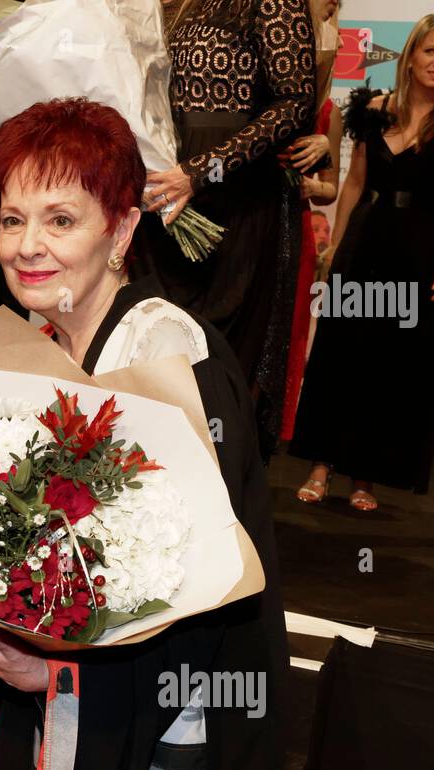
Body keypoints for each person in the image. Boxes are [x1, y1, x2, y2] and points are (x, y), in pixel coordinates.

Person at [0, 98, 287, 770]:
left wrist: (52, 668)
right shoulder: (40, 343)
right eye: (12, 220)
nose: (27, 246)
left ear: (121, 228)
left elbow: (204, 595)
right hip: (64, 704)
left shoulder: (169, 353)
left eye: (60, 220)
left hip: (158, 734)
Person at [289, 14, 434, 510]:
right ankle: (321, 464)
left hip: (419, 246)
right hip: (365, 238)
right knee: (341, 352)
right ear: (411, 55)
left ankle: (367, 475)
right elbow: (355, 182)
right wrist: (336, 246)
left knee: (391, 363)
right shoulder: (375, 110)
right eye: (431, 51)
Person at [136, 0, 316, 457]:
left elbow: (295, 102)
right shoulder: (175, 4)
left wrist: (201, 171)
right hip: (165, 191)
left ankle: (218, 493)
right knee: (159, 345)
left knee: (215, 356)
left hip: (235, 197)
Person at [278, 0, 343, 442]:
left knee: (288, 333)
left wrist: (307, 186)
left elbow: (332, 187)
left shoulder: (328, 112)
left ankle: (272, 430)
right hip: (248, 223)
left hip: (293, 229)